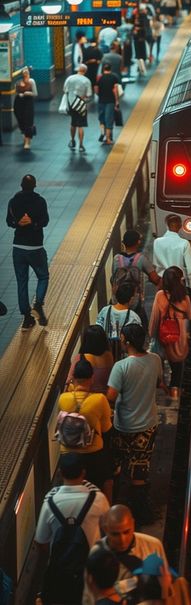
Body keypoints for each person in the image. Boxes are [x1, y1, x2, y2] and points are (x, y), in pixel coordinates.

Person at [34, 453, 109, 605]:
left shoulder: (50, 503)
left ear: (60, 473)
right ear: (83, 472)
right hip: (91, 571)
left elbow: (41, 541)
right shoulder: (99, 500)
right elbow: (108, 529)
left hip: (60, 573)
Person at [107, 324, 162, 523]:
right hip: (147, 425)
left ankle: (116, 508)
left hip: (124, 426)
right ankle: (141, 512)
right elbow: (158, 383)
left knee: (117, 465)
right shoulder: (155, 359)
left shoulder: (121, 367)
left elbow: (111, 396)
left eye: (121, 338)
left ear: (126, 341)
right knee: (140, 468)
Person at [82, 505, 171, 605]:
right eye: (115, 534)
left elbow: (166, 584)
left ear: (133, 525)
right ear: (105, 529)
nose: (122, 540)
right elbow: (88, 596)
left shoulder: (153, 546)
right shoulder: (97, 552)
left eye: (126, 532)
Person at [58, 356, 113, 501]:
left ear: (74, 378)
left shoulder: (63, 398)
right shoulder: (99, 399)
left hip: (67, 452)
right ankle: (106, 509)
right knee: (108, 478)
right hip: (93, 454)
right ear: (92, 378)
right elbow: (107, 428)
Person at [6, 173, 49, 328]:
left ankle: (27, 318)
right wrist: (34, 223)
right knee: (43, 276)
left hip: (18, 247)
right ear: (35, 186)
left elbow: (8, 222)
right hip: (35, 247)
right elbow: (45, 221)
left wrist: (18, 223)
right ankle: (38, 303)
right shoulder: (40, 201)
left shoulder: (13, 201)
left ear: (21, 186)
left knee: (21, 282)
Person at [149, 267, 191, 399]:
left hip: (162, 336)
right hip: (178, 339)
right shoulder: (185, 298)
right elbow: (190, 316)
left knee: (158, 363)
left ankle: (160, 388)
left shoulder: (159, 296)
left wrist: (152, 333)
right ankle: (174, 393)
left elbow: (155, 317)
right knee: (177, 368)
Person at [111, 229, 161, 327]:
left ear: (123, 243)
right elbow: (155, 279)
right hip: (135, 303)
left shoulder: (116, 258)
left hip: (117, 301)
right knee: (141, 327)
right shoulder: (141, 259)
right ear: (138, 242)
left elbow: (113, 280)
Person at [96, 283, 143, 362]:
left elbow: (97, 332)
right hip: (125, 361)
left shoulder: (105, 310)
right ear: (131, 299)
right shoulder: (133, 317)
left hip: (106, 359)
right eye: (135, 295)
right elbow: (137, 341)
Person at [66, 326, 114, 395]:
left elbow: (69, 379)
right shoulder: (109, 356)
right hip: (105, 396)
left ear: (86, 340)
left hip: (87, 397)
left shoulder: (80, 357)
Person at [153, 214, 191, 290]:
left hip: (163, 281)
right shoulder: (184, 243)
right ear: (180, 226)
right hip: (178, 282)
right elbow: (190, 268)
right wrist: (190, 284)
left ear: (167, 225)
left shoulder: (157, 242)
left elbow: (155, 264)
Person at [63, 64, 93, 152]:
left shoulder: (69, 78)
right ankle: (81, 145)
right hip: (81, 105)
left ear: (78, 70)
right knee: (80, 125)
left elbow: (65, 90)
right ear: (85, 71)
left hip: (71, 104)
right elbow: (89, 95)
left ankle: (72, 141)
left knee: (73, 123)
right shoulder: (86, 81)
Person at [95, 62, 120, 145]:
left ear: (103, 69)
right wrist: (117, 101)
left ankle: (103, 133)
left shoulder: (99, 77)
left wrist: (99, 95)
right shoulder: (114, 77)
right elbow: (115, 90)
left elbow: (96, 89)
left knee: (101, 119)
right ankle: (108, 139)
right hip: (110, 101)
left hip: (101, 101)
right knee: (109, 120)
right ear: (110, 69)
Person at [14, 66, 38, 149]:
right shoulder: (18, 82)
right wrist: (19, 94)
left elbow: (35, 93)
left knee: (28, 121)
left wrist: (28, 93)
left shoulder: (31, 81)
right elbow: (16, 91)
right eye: (24, 72)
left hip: (28, 103)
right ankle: (24, 134)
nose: (25, 74)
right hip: (19, 103)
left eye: (27, 72)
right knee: (21, 120)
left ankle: (28, 141)